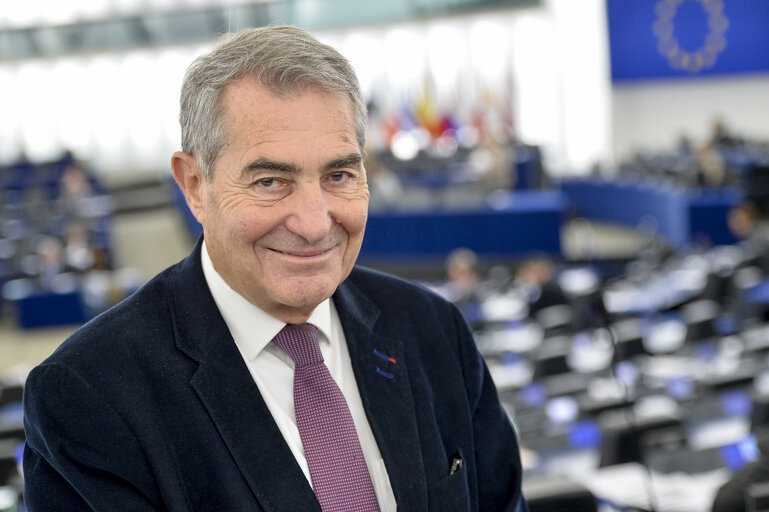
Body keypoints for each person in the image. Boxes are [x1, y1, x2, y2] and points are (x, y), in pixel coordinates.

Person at [22, 26, 528, 512]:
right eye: (270, 181)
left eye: (339, 174)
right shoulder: (89, 395)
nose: (314, 223)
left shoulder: (432, 330)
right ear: (195, 185)